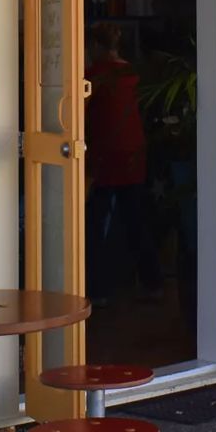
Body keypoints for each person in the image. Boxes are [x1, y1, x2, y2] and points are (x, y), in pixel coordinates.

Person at [85, 23, 160, 302]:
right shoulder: (133, 74)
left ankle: (96, 290)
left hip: (104, 155)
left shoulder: (93, 77)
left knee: (96, 225)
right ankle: (152, 283)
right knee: (135, 220)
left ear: (96, 46)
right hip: (133, 154)